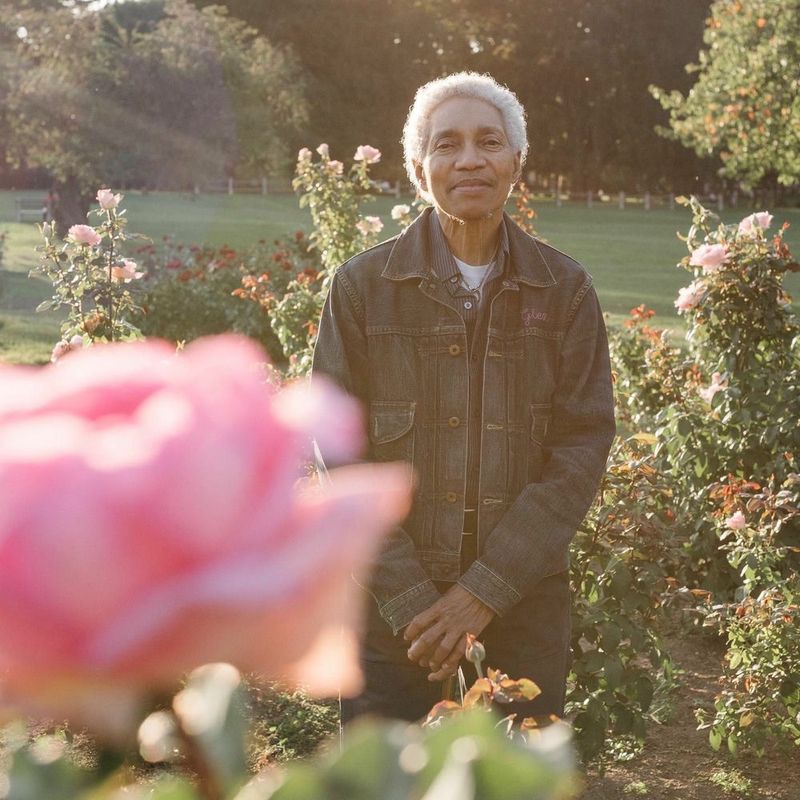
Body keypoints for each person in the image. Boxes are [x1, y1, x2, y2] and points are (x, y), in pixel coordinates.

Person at [312, 72, 616, 723]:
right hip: (395, 619)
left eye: (488, 142)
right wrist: (416, 602)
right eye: (447, 144)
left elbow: (581, 446)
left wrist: (480, 595)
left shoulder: (564, 291)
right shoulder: (363, 288)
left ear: (517, 163)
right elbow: (340, 452)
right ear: (419, 168)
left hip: (522, 614)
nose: (470, 159)